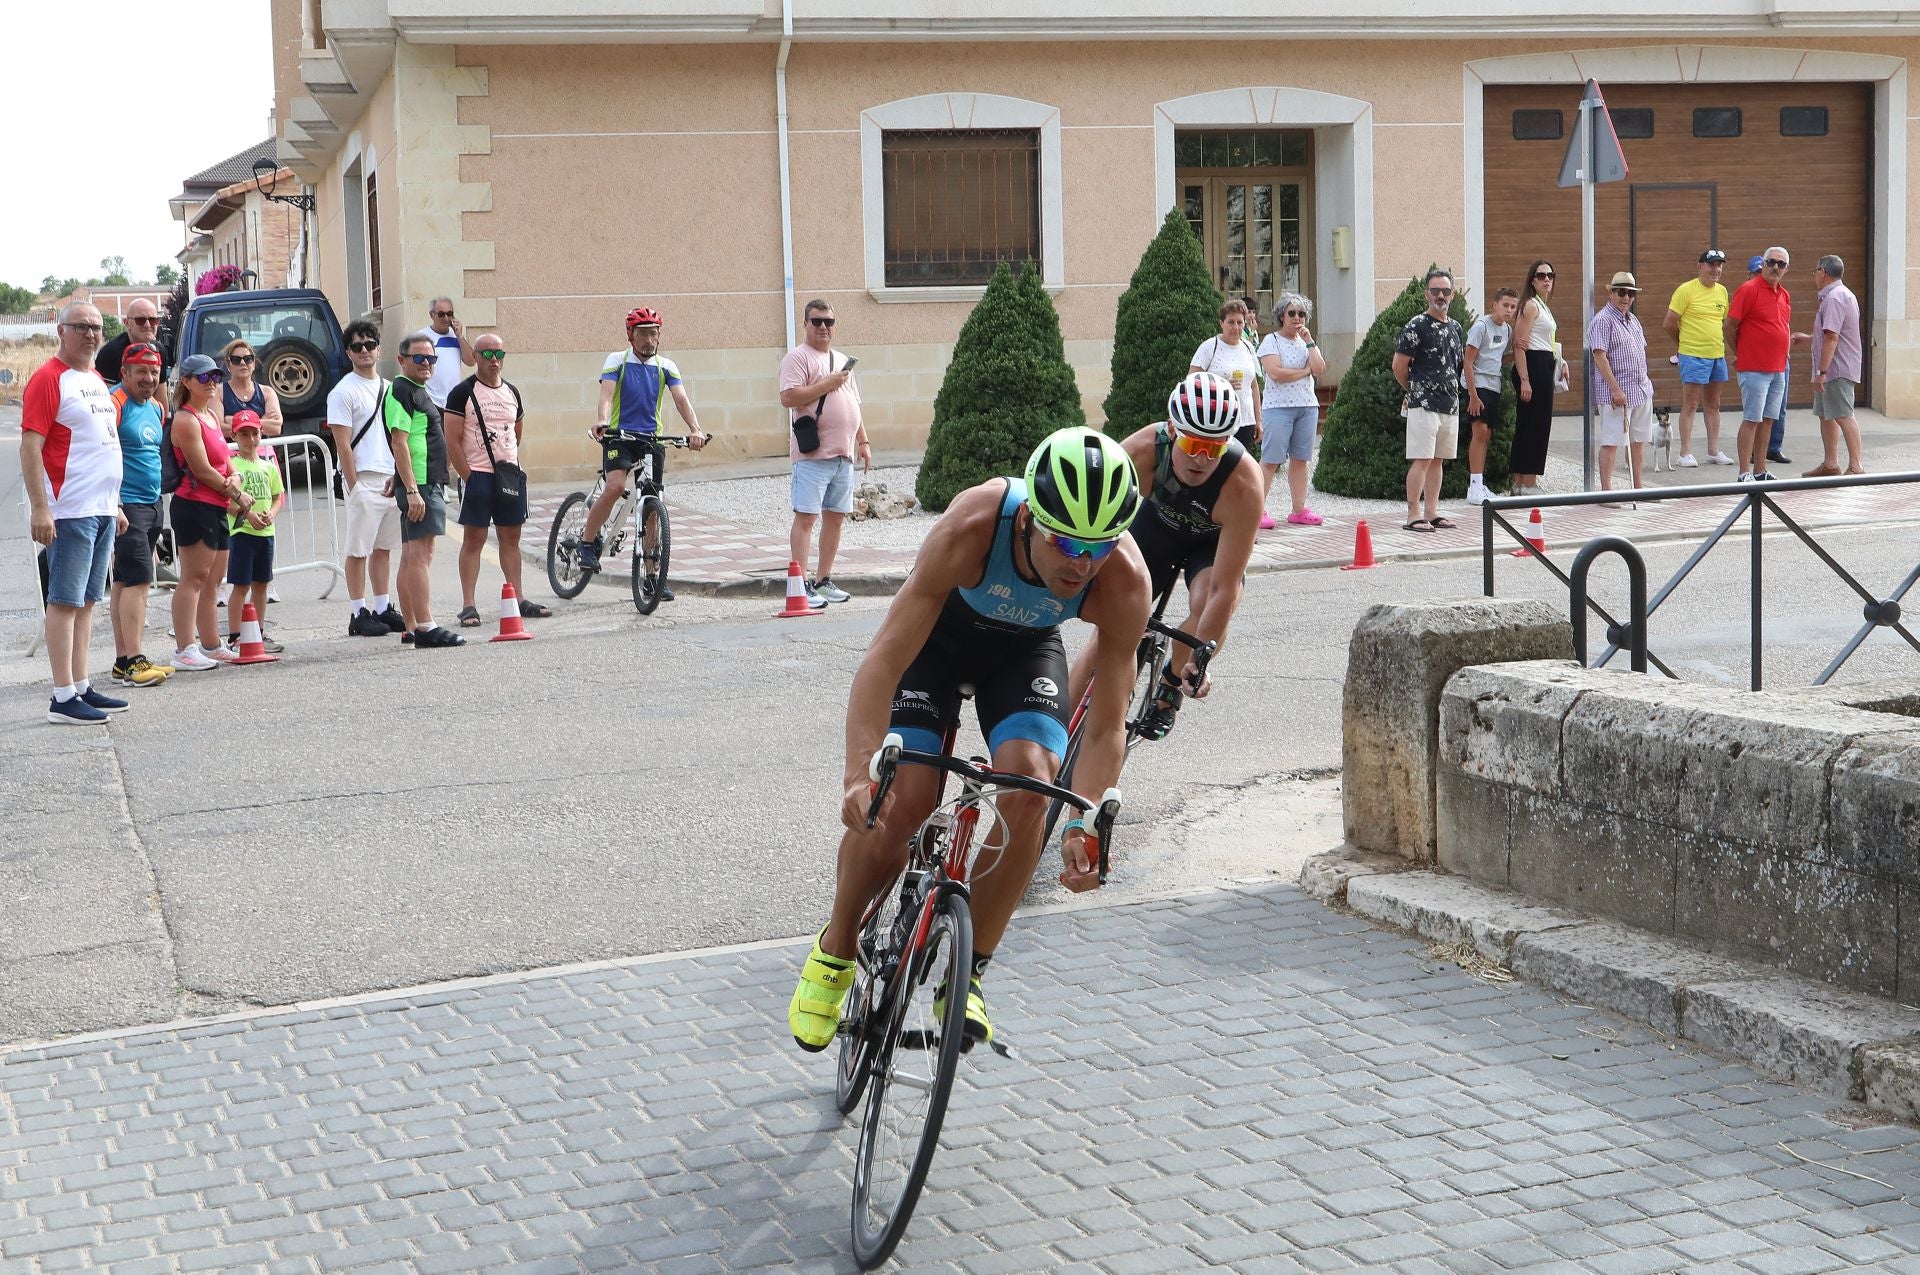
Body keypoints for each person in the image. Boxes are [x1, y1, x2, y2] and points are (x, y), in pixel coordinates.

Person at [786, 428, 1151, 1053]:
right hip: (936, 642)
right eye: (1065, 541)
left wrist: (1082, 825)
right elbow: (881, 661)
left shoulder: (1123, 581)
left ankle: (968, 971)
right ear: (1032, 518)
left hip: (1022, 654)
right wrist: (857, 773)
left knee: (1034, 785)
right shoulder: (975, 524)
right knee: (903, 798)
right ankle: (836, 947)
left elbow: (1109, 720)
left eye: (1099, 545)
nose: (1081, 563)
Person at [1073, 371, 1261, 742]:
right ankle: (1054, 731)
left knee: (1210, 600)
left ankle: (1170, 686)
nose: (1202, 459)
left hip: (1210, 545)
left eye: (1215, 448)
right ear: (1173, 430)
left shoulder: (1244, 484)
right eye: (1193, 445)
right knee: (1106, 636)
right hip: (1154, 529)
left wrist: (1198, 660)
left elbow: (1224, 587)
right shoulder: (1141, 452)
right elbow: (1097, 527)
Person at [21, 303, 131, 723]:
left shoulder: (95, 381)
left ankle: (81, 684)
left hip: (100, 507)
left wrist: (115, 503)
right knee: (64, 601)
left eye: (97, 327)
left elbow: (101, 444)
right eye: (81, 326)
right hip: (69, 510)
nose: (90, 334)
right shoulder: (50, 379)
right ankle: (62, 695)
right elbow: (31, 447)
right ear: (61, 331)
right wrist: (40, 507)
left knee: (86, 601)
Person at [579, 306, 710, 590]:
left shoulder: (666, 366)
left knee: (652, 506)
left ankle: (651, 577)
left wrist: (695, 430)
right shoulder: (617, 361)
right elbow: (606, 395)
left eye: (654, 333)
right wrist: (602, 420)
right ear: (630, 335)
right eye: (643, 334)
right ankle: (587, 543)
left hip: (651, 441)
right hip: (619, 437)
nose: (649, 340)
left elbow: (681, 400)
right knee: (614, 486)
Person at [446, 333, 550, 626]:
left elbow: (516, 433)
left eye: (499, 354)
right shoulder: (462, 392)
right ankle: (469, 604)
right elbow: (451, 440)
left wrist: (510, 466)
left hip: (508, 474)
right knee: (474, 539)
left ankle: (517, 598)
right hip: (477, 474)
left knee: (511, 538)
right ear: (475, 357)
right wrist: (469, 476)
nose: (494, 360)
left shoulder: (512, 392)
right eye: (487, 354)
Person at [779, 299, 867, 606]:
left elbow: (854, 404)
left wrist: (864, 442)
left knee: (836, 517)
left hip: (843, 455)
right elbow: (789, 397)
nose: (823, 327)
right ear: (805, 324)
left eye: (828, 322)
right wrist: (827, 383)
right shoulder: (797, 358)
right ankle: (801, 583)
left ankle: (823, 579)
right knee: (806, 517)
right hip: (813, 455)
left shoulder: (841, 359)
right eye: (816, 321)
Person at [168, 354, 253, 671]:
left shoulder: (211, 418)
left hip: (215, 504)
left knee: (213, 579)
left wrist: (237, 478)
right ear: (187, 381)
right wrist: (235, 491)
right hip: (194, 505)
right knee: (193, 577)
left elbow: (227, 461)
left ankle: (211, 644)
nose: (212, 383)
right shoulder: (186, 419)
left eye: (215, 377)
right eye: (204, 378)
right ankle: (184, 647)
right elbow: (201, 470)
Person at [327, 320, 406, 638]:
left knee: (383, 548)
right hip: (363, 477)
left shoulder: (389, 388)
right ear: (348, 352)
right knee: (358, 549)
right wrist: (354, 485)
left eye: (370, 345)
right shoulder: (343, 392)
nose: (364, 351)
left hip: (389, 476)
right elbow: (342, 443)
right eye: (357, 346)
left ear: (378, 348)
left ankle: (383, 605)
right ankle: (358, 611)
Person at [385, 332, 463, 647]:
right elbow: (399, 441)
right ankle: (426, 627)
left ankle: (412, 624)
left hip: (419, 480)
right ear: (402, 360)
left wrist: (400, 478)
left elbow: (407, 440)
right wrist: (412, 488)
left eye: (431, 358)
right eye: (419, 357)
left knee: (410, 555)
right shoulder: (402, 390)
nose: (426, 363)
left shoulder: (414, 390)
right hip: (422, 483)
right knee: (421, 554)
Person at [106, 343, 173, 688]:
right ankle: (134, 660)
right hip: (126, 506)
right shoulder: (115, 404)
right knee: (137, 582)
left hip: (151, 503)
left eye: (154, 372)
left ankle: (122, 661)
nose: (148, 378)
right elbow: (100, 453)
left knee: (124, 581)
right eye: (141, 372)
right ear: (124, 373)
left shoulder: (157, 408)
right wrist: (114, 504)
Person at [1727, 247, 1809, 482]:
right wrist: (1740, 353)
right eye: (1771, 262)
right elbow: (1730, 326)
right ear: (1763, 264)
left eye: (1781, 264)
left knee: (1769, 420)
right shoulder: (1748, 290)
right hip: (1754, 367)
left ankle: (1760, 470)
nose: (1775, 267)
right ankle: (1744, 472)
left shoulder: (1784, 294)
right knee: (1752, 419)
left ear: (1786, 269)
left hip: (1778, 368)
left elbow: (1781, 325)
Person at [1394, 268, 1465, 532]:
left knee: (1438, 460)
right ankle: (1414, 514)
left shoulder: (1456, 327)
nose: (1440, 296)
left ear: (1452, 294)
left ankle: (1432, 512)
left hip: (1450, 404)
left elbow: (1457, 365)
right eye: (1435, 291)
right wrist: (1415, 391)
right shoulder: (1416, 325)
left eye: (1445, 291)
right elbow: (1398, 366)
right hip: (1424, 404)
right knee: (1421, 459)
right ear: (1426, 293)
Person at [1255, 294, 1326, 527]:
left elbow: (1320, 368)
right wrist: (1305, 372)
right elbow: (1276, 373)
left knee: (1300, 460)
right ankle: (1256, 511)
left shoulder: (1305, 342)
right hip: (1278, 408)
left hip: (1306, 406)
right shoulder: (1271, 341)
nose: (1297, 318)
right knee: (1271, 460)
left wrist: (1310, 342)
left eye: (1301, 314)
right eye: (1292, 313)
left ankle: (1298, 510)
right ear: (1282, 316)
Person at [1587, 273, 1656, 492]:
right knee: (1611, 441)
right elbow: (1599, 356)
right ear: (1611, 293)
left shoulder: (1632, 319)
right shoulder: (1603, 320)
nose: (1626, 297)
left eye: (1630, 293)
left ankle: (1638, 487)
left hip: (1640, 390)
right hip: (1616, 394)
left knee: (1638, 441)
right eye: (1621, 292)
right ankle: (1606, 491)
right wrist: (1615, 389)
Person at [1664, 250, 1733, 468]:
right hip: (1693, 355)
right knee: (1691, 403)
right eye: (1711, 265)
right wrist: (1683, 345)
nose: (1716, 269)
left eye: (1719, 265)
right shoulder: (1686, 290)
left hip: (1716, 355)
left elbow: (1723, 322)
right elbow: (1669, 323)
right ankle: (1685, 453)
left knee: (1714, 404)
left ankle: (1713, 451)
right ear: (1700, 266)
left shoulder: (1722, 292)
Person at [223, 410, 285, 652]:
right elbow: (226, 502)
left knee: (261, 584)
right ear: (235, 437)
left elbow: (278, 497)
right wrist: (245, 514)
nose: (250, 439)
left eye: (254, 434)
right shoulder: (234, 466)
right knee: (240, 585)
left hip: (265, 533)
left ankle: (258, 630)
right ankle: (235, 634)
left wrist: (272, 512)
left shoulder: (268, 466)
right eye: (244, 434)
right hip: (242, 533)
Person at [1804, 254, 1866, 477]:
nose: (1815, 276)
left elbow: (1832, 337)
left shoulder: (1835, 297)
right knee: (1827, 414)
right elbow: (1827, 333)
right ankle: (1830, 464)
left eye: (1815, 271)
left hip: (1835, 369)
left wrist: (1822, 371)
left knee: (1843, 415)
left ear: (1823, 272)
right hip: (1831, 368)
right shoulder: (1837, 295)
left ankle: (1856, 466)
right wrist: (1809, 338)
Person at [1462, 288, 1520, 506]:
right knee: (1480, 432)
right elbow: (1468, 361)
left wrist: (1515, 354)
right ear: (1494, 305)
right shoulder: (1481, 327)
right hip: (1477, 384)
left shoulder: (1507, 330)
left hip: (1493, 385)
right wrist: (1473, 394)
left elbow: (1495, 360)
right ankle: (1474, 486)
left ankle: (1480, 483)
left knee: (1487, 434)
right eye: (1505, 305)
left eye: (1513, 307)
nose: (1509, 310)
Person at [1188, 298, 1262, 455]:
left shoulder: (1248, 347)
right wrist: (1219, 384)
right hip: (1217, 420)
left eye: (1240, 322)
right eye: (1231, 322)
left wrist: (1258, 420)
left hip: (1245, 421)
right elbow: (1191, 381)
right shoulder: (1209, 347)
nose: (1236, 327)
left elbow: (1253, 385)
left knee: (1240, 469)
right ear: (1222, 323)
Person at [1510, 260, 1559, 493]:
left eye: (1550, 275)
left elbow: (1546, 340)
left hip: (1543, 363)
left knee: (1531, 424)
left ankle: (1520, 481)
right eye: (1541, 275)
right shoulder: (1530, 305)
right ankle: (1528, 482)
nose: (1546, 279)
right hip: (1532, 366)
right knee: (1535, 425)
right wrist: (1525, 379)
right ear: (1532, 279)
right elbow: (1519, 343)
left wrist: (1562, 361)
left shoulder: (1542, 306)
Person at [94, 298, 165, 384]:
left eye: (153, 320)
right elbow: (109, 395)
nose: (147, 325)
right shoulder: (110, 354)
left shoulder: (159, 351)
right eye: (140, 320)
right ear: (127, 323)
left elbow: (160, 396)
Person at [421, 296, 475, 410]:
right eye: (441, 314)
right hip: (430, 400)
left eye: (449, 314)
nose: (446, 318)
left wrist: (459, 336)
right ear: (431, 315)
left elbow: (471, 361)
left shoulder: (456, 336)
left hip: (453, 401)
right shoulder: (421, 337)